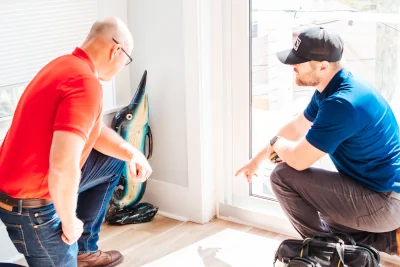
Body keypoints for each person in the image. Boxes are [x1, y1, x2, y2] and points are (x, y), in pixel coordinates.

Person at [0, 17, 152, 267]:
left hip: (14, 186)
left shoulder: (63, 66)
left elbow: (93, 131)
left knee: (114, 161)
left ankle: (84, 250)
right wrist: (69, 221)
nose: (122, 66)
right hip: (30, 204)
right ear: (116, 50)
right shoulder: (86, 85)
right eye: (126, 60)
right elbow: (63, 164)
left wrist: (132, 153)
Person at [236, 27, 400, 256]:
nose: (292, 66)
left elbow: (299, 160)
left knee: (282, 177)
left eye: (299, 62)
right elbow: (296, 127)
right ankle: (389, 240)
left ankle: (323, 255)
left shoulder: (342, 103)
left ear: (322, 65)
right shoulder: (333, 88)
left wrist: (275, 144)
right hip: (380, 194)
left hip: (383, 201)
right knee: (321, 210)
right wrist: (257, 159)